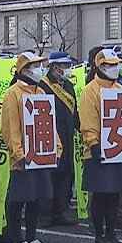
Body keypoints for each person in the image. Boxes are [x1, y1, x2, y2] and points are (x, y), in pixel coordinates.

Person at [0, 52, 57, 243]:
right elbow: (9, 126)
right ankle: (17, 239)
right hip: (23, 156)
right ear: (23, 70)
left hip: (41, 153)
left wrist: (55, 147)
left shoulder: (40, 92)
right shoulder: (13, 93)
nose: (39, 69)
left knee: (36, 197)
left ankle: (32, 236)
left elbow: (50, 123)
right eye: (35, 66)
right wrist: (18, 152)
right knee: (18, 198)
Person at [79, 48, 122, 243]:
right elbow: (88, 121)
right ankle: (99, 235)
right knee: (101, 194)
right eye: (109, 65)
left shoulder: (120, 88)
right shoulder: (90, 90)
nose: (114, 68)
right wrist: (93, 143)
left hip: (119, 149)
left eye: (116, 64)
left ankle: (111, 232)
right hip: (98, 150)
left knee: (115, 194)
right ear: (98, 66)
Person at [40, 51, 78, 226]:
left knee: (65, 174)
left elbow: (74, 111)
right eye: (65, 66)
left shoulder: (68, 86)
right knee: (49, 175)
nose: (68, 69)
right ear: (55, 67)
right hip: (49, 135)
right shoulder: (43, 85)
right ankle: (45, 213)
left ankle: (60, 211)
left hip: (67, 135)